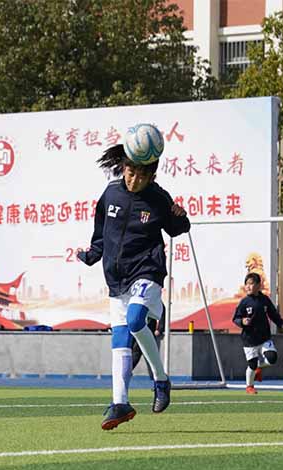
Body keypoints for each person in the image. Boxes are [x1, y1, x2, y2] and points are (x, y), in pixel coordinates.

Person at [77, 125, 190, 430]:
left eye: (142, 175)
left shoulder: (158, 198)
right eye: (130, 171)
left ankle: (159, 379)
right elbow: (101, 234)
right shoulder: (111, 193)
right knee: (120, 341)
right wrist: (92, 254)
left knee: (137, 319)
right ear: (123, 166)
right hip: (116, 279)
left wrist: (179, 215)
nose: (134, 179)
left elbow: (180, 228)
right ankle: (120, 403)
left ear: (152, 176)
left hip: (147, 271)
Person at [232, 272, 283, 395]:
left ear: (258, 285)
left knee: (272, 358)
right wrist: (242, 321)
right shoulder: (244, 302)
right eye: (247, 284)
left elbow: (272, 313)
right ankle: (249, 386)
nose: (248, 287)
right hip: (249, 340)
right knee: (252, 364)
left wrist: (280, 323)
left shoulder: (265, 300)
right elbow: (235, 318)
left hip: (264, 338)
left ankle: (259, 368)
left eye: (251, 284)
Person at [131, 304, 165, 379]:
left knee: (145, 353)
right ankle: (127, 370)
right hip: (136, 330)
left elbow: (162, 312)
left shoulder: (154, 301)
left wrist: (160, 329)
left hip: (149, 330)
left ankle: (155, 375)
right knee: (135, 352)